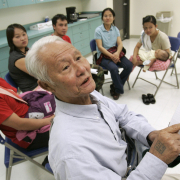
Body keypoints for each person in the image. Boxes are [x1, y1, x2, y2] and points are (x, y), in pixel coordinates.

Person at [25, 35, 180, 180]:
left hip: (134, 158)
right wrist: (157, 158)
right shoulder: (72, 153)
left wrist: (151, 135)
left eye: (78, 57)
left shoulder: (88, 94)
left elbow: (123, 115)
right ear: (47, 85)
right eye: (65, 67)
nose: (82, 69)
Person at [0, 78, 54, 150]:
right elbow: (20, 125)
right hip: (27, 133)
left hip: (30, 110)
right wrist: (50, 120)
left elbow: (16, 95)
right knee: (68, 123)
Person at [95, 8, 133, 100]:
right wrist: (111, 56)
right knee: (114, 68)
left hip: (114, 52)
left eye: (110, 16)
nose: (108, 18)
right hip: (103, 56)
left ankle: (115, 85)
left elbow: (120, 44)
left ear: (114, 17)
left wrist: (116, 53)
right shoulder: (98, 30)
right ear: (102, 18)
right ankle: (118, 89)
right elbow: (100, 47)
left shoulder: (115, 29)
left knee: (129, 65)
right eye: (105, 16)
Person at [6, 24, 38, 92]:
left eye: (24, 34)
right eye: (17, 37)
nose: (23, 38)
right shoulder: (17, 58)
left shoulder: (26, 50)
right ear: (11, 40)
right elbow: (39, 74)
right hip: (33, 91)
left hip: (39, 84)